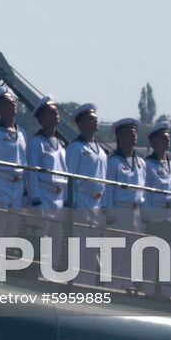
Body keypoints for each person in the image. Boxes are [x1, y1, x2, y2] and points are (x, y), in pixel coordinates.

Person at [26, 97, 68, 272]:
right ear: (42, 118)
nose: (55, 114)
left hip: (58, 197)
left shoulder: (61, 144)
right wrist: (35, 199)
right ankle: (38, 274)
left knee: (56, 242)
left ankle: (51, 273)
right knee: (41, 239)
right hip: (43, 194)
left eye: (55, 111)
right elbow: (32, 172)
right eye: (51, 112)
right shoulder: (37, 142)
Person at [66, 103, 105, 285]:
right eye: (90, 119)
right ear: (80, 124)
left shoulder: (101, 151)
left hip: (96, 204)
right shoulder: (76, 148)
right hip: (81, 199)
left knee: (92, 248)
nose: (94, 121)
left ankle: (88, 284)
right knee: (80, 247)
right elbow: (70, 178)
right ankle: (78, 283)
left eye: (95, 118)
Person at [104, 118, 145, 290]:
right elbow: (108, 190)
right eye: (129, 132)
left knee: (131, 254)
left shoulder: (140, 163)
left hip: (135, 212)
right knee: (116, 255)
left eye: (134, 132)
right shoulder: (114, 162)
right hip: (119, 210)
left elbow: (143, 191)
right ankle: (113, 288)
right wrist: (110, 216)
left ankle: (127, 287)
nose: (133, 136)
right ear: (120, 136)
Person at [141, 121, 171, 299]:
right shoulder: (147, 165)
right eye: (162, 138)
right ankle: (149, 290)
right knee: (152, 255)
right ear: (153, 142)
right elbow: (146, 191)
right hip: (155, 212)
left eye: (168, 138)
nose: (166, 141)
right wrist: (148, 216)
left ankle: (165, 292)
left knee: (168, 255)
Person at [0, 86, 25, 236]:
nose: (13, 105)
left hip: (18, 184)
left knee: (13, 230)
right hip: (1, 182)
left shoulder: (22, 133)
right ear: (0, 109)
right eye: (9, 103)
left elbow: (24, 162)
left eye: (13, 102)